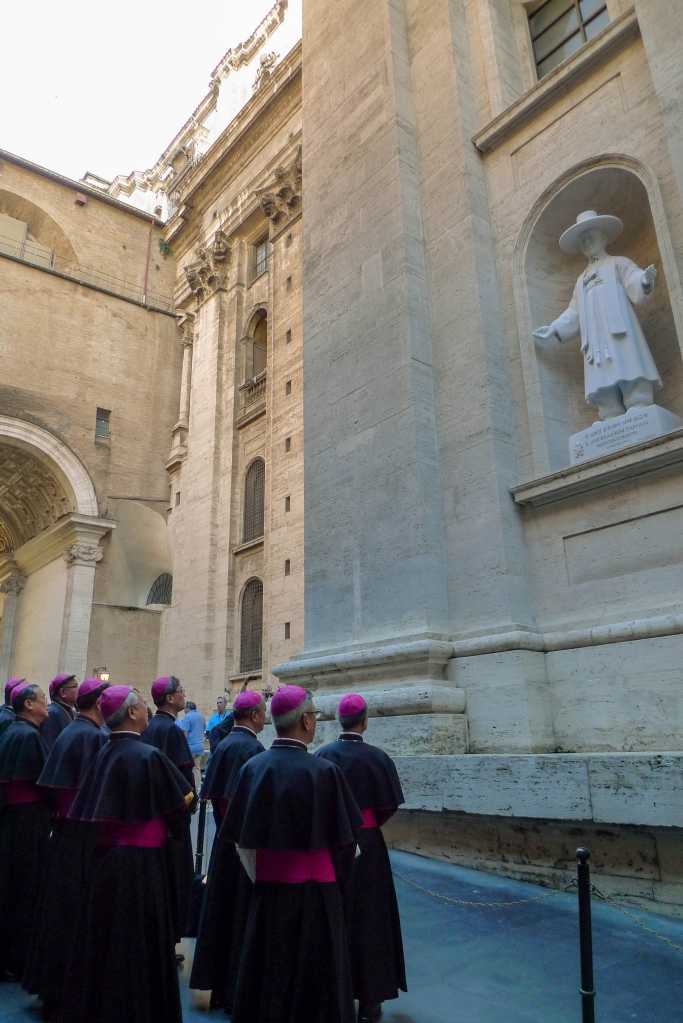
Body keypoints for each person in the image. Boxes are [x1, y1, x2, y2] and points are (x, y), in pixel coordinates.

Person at [223, 685, 364, 1023]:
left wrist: (265, 874)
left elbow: (241, 842)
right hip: (317, 897)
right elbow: (346, 845)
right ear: (305, 721)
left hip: (268, 894)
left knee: (267, 977)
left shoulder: (252, 768)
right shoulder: (324, 772)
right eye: (313, 715)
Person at [57, 685, 194, 1023]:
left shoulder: (101, 753)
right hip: (143, 867)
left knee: (105, 943)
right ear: (132, 712)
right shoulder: (149, 756)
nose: (147, 709)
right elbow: (182, 805)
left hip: (104, 865)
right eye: (143, 704)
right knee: (140, 944)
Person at [316, 694, 407, 1023]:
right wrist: (367, 827)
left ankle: (332, 989)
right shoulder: (378, 758)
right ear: (365, 721)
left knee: (334, 913)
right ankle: (370, 998)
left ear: (339, 720)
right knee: (371, 918)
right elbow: (389, 805)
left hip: (332, 845)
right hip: (368, 846)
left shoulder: (322, 756)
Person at [24, 678, 111, 1017]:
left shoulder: (72, 731)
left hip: (65, 835)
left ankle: (54, 985)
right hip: (84, 839)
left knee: (60, 912)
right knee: (76, 914)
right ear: (100, 703)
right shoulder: (91, 737)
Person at [533, 210, 660, 421]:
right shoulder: (581, 280)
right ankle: (610, 411)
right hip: (594, 338)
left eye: (590, 237)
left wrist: (644, 280)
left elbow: (634, 279)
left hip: (620, 330)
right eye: (583, 240)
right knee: (600, 373)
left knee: (627, 360)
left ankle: (639, 400)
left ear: (602, 238)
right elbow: (574, 310)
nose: (587, 243)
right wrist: (554, 328)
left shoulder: (618, 263)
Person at [190, 691, 267, 1011]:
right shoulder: (253, 749)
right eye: (263, 712)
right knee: (240, 917)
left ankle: (219, 988)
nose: (265, 717)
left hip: (223, 845)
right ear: (255, 715)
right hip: (244, 848)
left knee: (220, 913)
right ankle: (238, 990)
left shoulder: (222, 746)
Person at [0, 682, 50, 978]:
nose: (47, 703)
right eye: (42, 699)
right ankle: (16, 959)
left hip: (16, 821)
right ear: (28, 704)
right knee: (24, 888)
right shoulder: (28, 735)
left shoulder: (15, 731)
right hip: (28, 824)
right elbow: (43, 782)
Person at [141, 675, 195, 942]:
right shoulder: (172, 730)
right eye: (181, 691)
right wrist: (190, 804)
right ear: (171, 698)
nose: (184, 695)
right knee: (175, 881)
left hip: (154, 819)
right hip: (173, 821)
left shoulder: (150, 726)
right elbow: (183, 780)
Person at [40, 674, 78, 750]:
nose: (79, 690)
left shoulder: (69, 710)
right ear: (63, 692)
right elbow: (50, 746)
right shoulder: (52, 713)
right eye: (75, 686)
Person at [176, 700, 207, 791]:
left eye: (185, 708)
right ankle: (197, 789)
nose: (184, 710)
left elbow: (185, 732)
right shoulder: (201, 716)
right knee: (196, 768)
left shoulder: (187, 717)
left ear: (189, 708)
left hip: (190, 747)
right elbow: (203, 730)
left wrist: (182, 744)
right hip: (200, 747)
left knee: (187, 769)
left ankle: (188, 789)